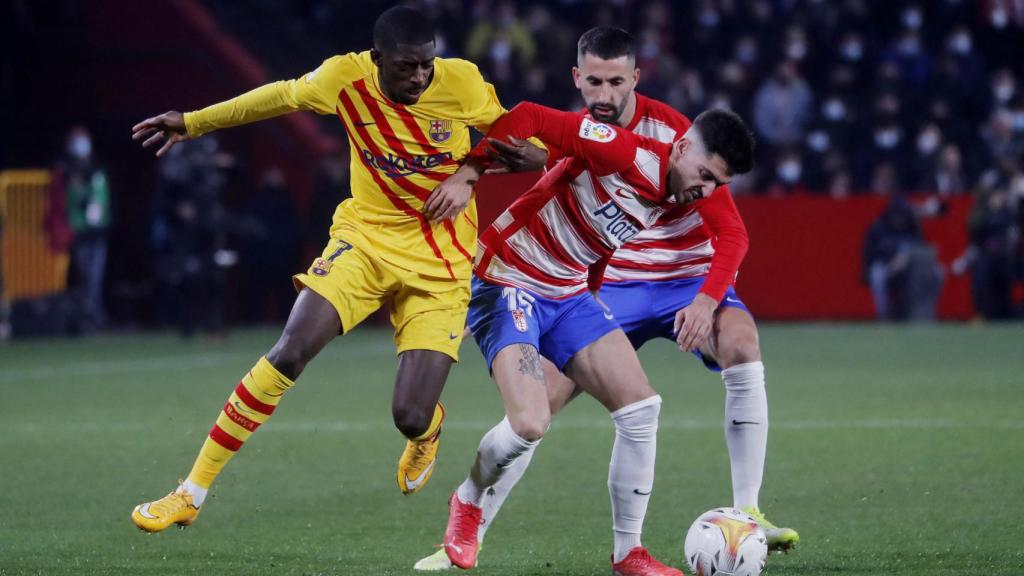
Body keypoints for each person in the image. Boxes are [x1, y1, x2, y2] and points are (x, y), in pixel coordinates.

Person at [128, 5, 546, 533]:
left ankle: (427, 432)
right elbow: (276, 96)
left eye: (426, 65)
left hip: (442, 260)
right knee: (289, 350)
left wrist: (470, 170)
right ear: (376, 60)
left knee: (410, 415)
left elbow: (530, 151)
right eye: (405, 67)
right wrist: (192, 123)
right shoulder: (342, 79)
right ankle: (191, 491)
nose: (419, 77)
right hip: (365, 239)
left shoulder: (460, 82)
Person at [415, 26, 796, 572]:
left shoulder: (675, 185)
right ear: (682, 147)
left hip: (569, 293)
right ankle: (468, 503)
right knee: (530, 423)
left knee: (641, 409)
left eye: (717, 184)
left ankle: (628, 554)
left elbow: (605, 233)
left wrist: (595, 287)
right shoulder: (623, 149)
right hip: (510, 280)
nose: (705, 192)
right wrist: (471, 171)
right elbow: (530, 116)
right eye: (705, 176)